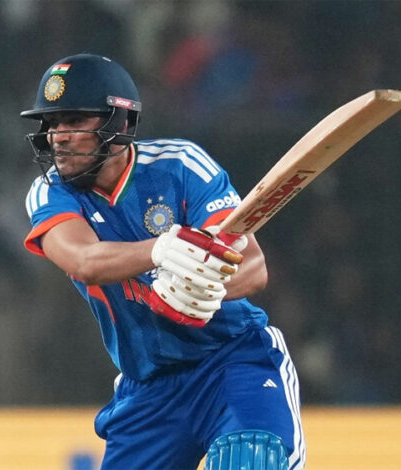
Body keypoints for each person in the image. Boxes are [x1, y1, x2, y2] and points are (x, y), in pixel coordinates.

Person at [20, 53, 306, 470]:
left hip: (231, 360)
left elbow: (252, 266)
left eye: (74, 121)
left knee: (250, 458)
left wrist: (205, 289)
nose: (57, 137)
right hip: (149, 387)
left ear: (118, 123)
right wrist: (161, 250)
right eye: (52, 124)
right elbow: (83, 259)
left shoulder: (181, 164)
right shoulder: (49, 192)